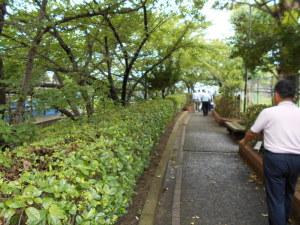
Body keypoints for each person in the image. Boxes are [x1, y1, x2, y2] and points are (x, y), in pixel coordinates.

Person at [239, 79, 300, 225]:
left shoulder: (269, 112)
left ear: (277, 95)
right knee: (288, 194)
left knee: (275, 198)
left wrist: (243, 142)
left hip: (275, 160)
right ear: (294, 96)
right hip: (296, 160)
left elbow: (252, 132)